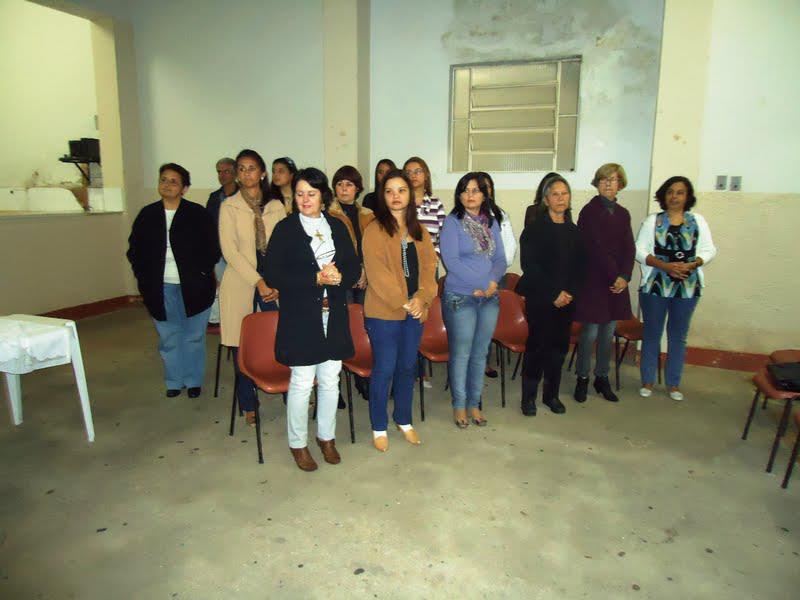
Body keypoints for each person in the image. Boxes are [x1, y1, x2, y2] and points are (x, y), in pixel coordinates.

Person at [265, 168, 360, 472]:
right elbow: (273, 274)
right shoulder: (285, 229)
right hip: (301, 316)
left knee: (331, 380)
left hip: (334, 313)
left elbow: (353, 266)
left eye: (312, 193)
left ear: (323, 196)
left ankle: (326, 437)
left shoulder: (337, 226)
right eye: (300, 194)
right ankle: (298, 443)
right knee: (303, 381)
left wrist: (340, 276)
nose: (305, 199)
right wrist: (314, 278)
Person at [127, 163, 219, 398]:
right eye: (163, 180)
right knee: (169, 336)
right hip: (160, 287)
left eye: (174, 181)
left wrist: (201, 273)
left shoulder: (197, 214)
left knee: (194, 336)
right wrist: (143, 276)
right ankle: (174, 381)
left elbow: (212, 249)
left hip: (196, 287)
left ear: (184, 188)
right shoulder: (147, 215)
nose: (167, 185)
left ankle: (193, 380)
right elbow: (134, 251)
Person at [362, 169, 437, 452]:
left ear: (410, 195)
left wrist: (422, 298)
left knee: (407, 367)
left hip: (414, 311)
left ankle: (404, 420)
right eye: (389, 191)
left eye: (401, 190)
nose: (396, 196)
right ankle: (379, 426)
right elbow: (377, 273)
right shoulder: (374, 230)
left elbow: (429, 267)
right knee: (384, 368)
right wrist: (405, 302)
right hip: (383, 312)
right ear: (383, 196)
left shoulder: (419, 231)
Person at [219, 149, 285, 425]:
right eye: (242, 168)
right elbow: (230, 251)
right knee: (242, 345)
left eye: (252, 168)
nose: (247, 173)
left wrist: (276, 281)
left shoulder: (276, 206)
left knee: (281, 337)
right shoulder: (229, 206)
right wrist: (258, 281)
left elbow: (284, 246)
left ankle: (288, 390)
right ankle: (248, 403)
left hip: (275, 283)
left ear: (263, 173)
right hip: (241, 282)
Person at [635, 176, 716, 401]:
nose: (674, 196)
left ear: (687, 197)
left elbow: (709, 250)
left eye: (680, 192)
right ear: (664, 195)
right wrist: (665, 266)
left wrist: (693, 264)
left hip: (687, 287)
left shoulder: (698, 221)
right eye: (670, 191)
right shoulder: (653, 221)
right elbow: (639, 251)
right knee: (652, 334)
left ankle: (673, 383)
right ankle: (648, 380)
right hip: (656, 286)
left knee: (678, 337)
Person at [439, 172, 506, 428]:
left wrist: (492, 283)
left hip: (489, 298)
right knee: (462, 354)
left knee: (480, 353)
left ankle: (475, 403)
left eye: (475, 190)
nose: (470, 195)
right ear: (459, 195)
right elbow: (452, 262)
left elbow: (500, 259)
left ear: (484, 195)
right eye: (465, 190)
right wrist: (482, 284)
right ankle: (459, 405)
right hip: (460, 297)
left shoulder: (492, 222)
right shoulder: (452, 223)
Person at [517, 175, 585, 415]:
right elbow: (530, 266)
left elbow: (581, 268)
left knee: (558, 350)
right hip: (541, 299)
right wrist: (553, 293)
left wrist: (569, 293)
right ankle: (528, 398)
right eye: (555, 194)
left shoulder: (575, 232)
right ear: (546, 200)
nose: (560, 198)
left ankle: (551, 396)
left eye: (564, 193)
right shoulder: (534, 230)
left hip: (567, 301)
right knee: (537, 349)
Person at [573, 163, 636, 404]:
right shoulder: (589, 211)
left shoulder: (623, 213)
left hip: (616, 283)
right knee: (589, 334)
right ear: (597, 183)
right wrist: (615, 276)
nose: (609, 184)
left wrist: (625, 276)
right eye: (604, 179)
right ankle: (582, 378)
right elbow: (595, 248)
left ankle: (602, 377)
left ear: (620, 184)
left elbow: (629, 247)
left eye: (613, 179)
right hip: (594, 281)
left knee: (608, 333)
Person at [476, 171, 516, 378]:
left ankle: (484, 361)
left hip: (496, 276)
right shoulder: (464, 214)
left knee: (489, 323)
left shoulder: (500, 214)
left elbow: (510, 246)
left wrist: (497, 270)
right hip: (473, 278)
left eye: (487, 186)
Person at [328, 165, 375, 304]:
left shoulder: (368, 215)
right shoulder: (328, 214)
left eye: (349, 184)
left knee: (363, 314)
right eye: (339, 184)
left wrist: (365, 270)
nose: (343, 189)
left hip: (366, 275)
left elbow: (373, 249)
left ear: (357, 188)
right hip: (340, 275)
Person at [206, 157, 238, 325]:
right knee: (221, 287)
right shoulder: (214, 198)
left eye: (227, 171)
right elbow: (208, 225)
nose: (222, 175)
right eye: (219, 172)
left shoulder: (244, 195)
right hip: (219, 252)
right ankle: (222, 320)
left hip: (239, 252)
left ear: (235, 173)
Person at [404, 157, 446, 256]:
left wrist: (435, 256)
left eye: (418, 171)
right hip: (404, 260)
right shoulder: (401, 203)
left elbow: (444, 236)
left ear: (426, 175)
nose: (413, 175)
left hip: (430, 259)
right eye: (408, 173)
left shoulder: (436, 203)